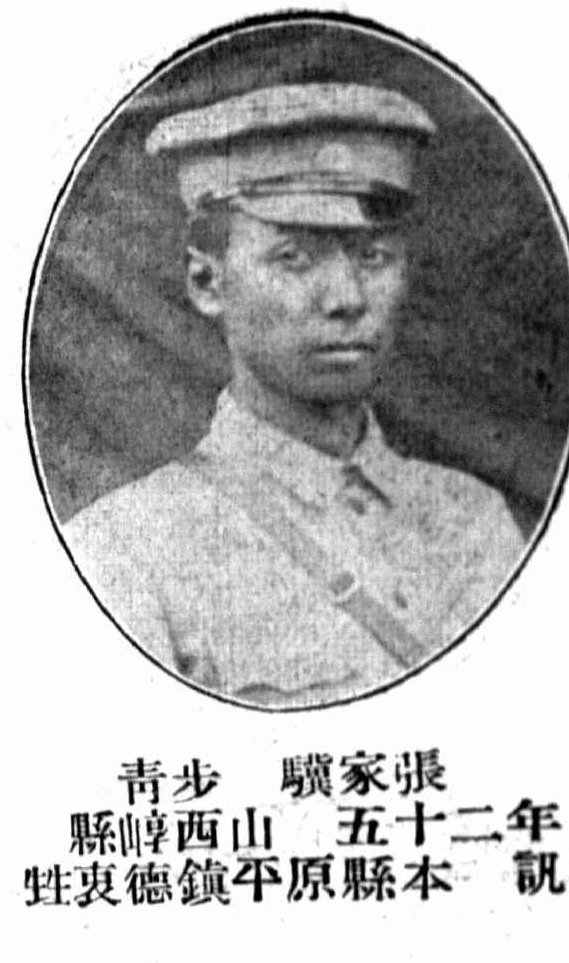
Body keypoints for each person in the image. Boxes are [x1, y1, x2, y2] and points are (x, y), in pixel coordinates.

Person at [64, 82, 525, 708]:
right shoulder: (124, 550)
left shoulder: (473, 523)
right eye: (294, 259)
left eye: (372, 255)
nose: (347, 299)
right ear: (206, 282)